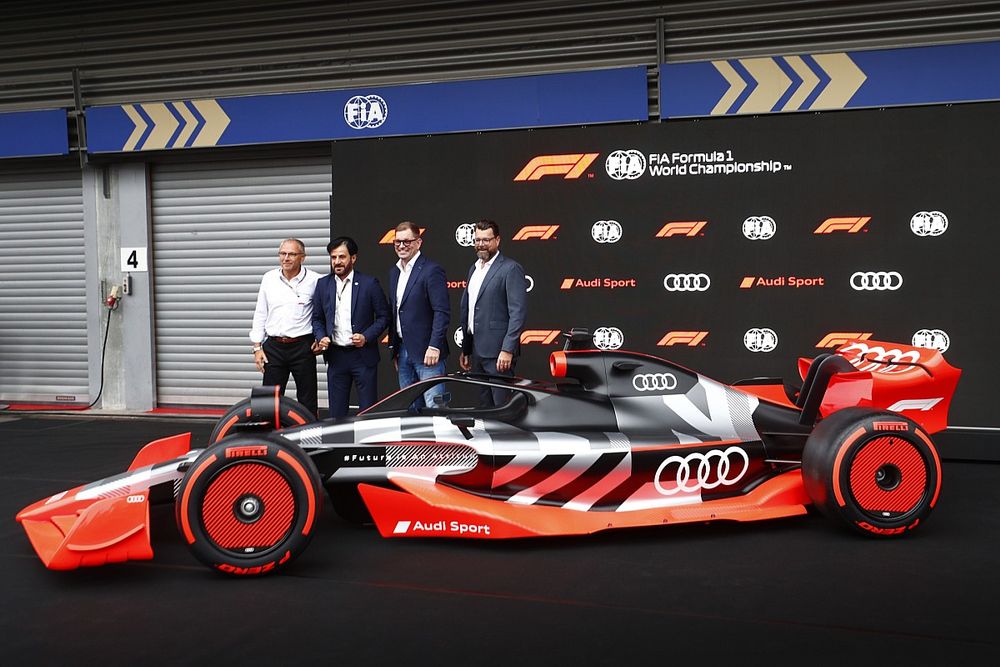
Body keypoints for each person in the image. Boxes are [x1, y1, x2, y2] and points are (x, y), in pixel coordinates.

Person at [312, 236, 389, 418]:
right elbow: (317, 318)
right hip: (336, 356)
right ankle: (339, 447)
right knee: (336, 414)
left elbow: (384, 317)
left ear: (353, 258)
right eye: (333, 257)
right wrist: (321, 336)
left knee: (368, 412)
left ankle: (368, 446)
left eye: (342, 257)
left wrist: (366, 336)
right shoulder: (323, 284)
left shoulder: (369, 284)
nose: (337, 262)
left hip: (363, 356)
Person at [458, 219, 527, 406]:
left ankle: (506, 437)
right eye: (478, 240)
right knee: (484, 409)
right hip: (477, 351)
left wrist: (507, 349)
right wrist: (466, 348)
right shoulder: (473, 268)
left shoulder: (510, 268)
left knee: (502, 407)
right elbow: (470, 309)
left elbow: (518, 313)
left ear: (497, 240)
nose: (481, 244)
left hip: (499, 353)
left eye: (486, 240)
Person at [249, 238, 320, 419]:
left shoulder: (315, 280)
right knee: (268, 400)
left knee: (307, 399)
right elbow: (260, 312)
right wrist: (257, 348)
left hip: (303, 346)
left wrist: (322, 339)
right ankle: (268, 440)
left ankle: (309, 440)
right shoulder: (269, 278)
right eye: (283, 253)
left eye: (292, 254)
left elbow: (323, 314)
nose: (286, 258)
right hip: (274, 347)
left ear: (302, 257)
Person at [388, 221, 450, 409]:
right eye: (397, 242)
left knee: (435, 408)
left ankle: (441, 440)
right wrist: (395, 348)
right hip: (403, 350)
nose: (401, 246)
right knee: (409, 410)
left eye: (407, 241)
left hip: (427, 353)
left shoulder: (431, 270)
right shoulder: (394, 272)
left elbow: (442, 311)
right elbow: (396, 310)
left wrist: (434, 346)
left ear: (418, 243)